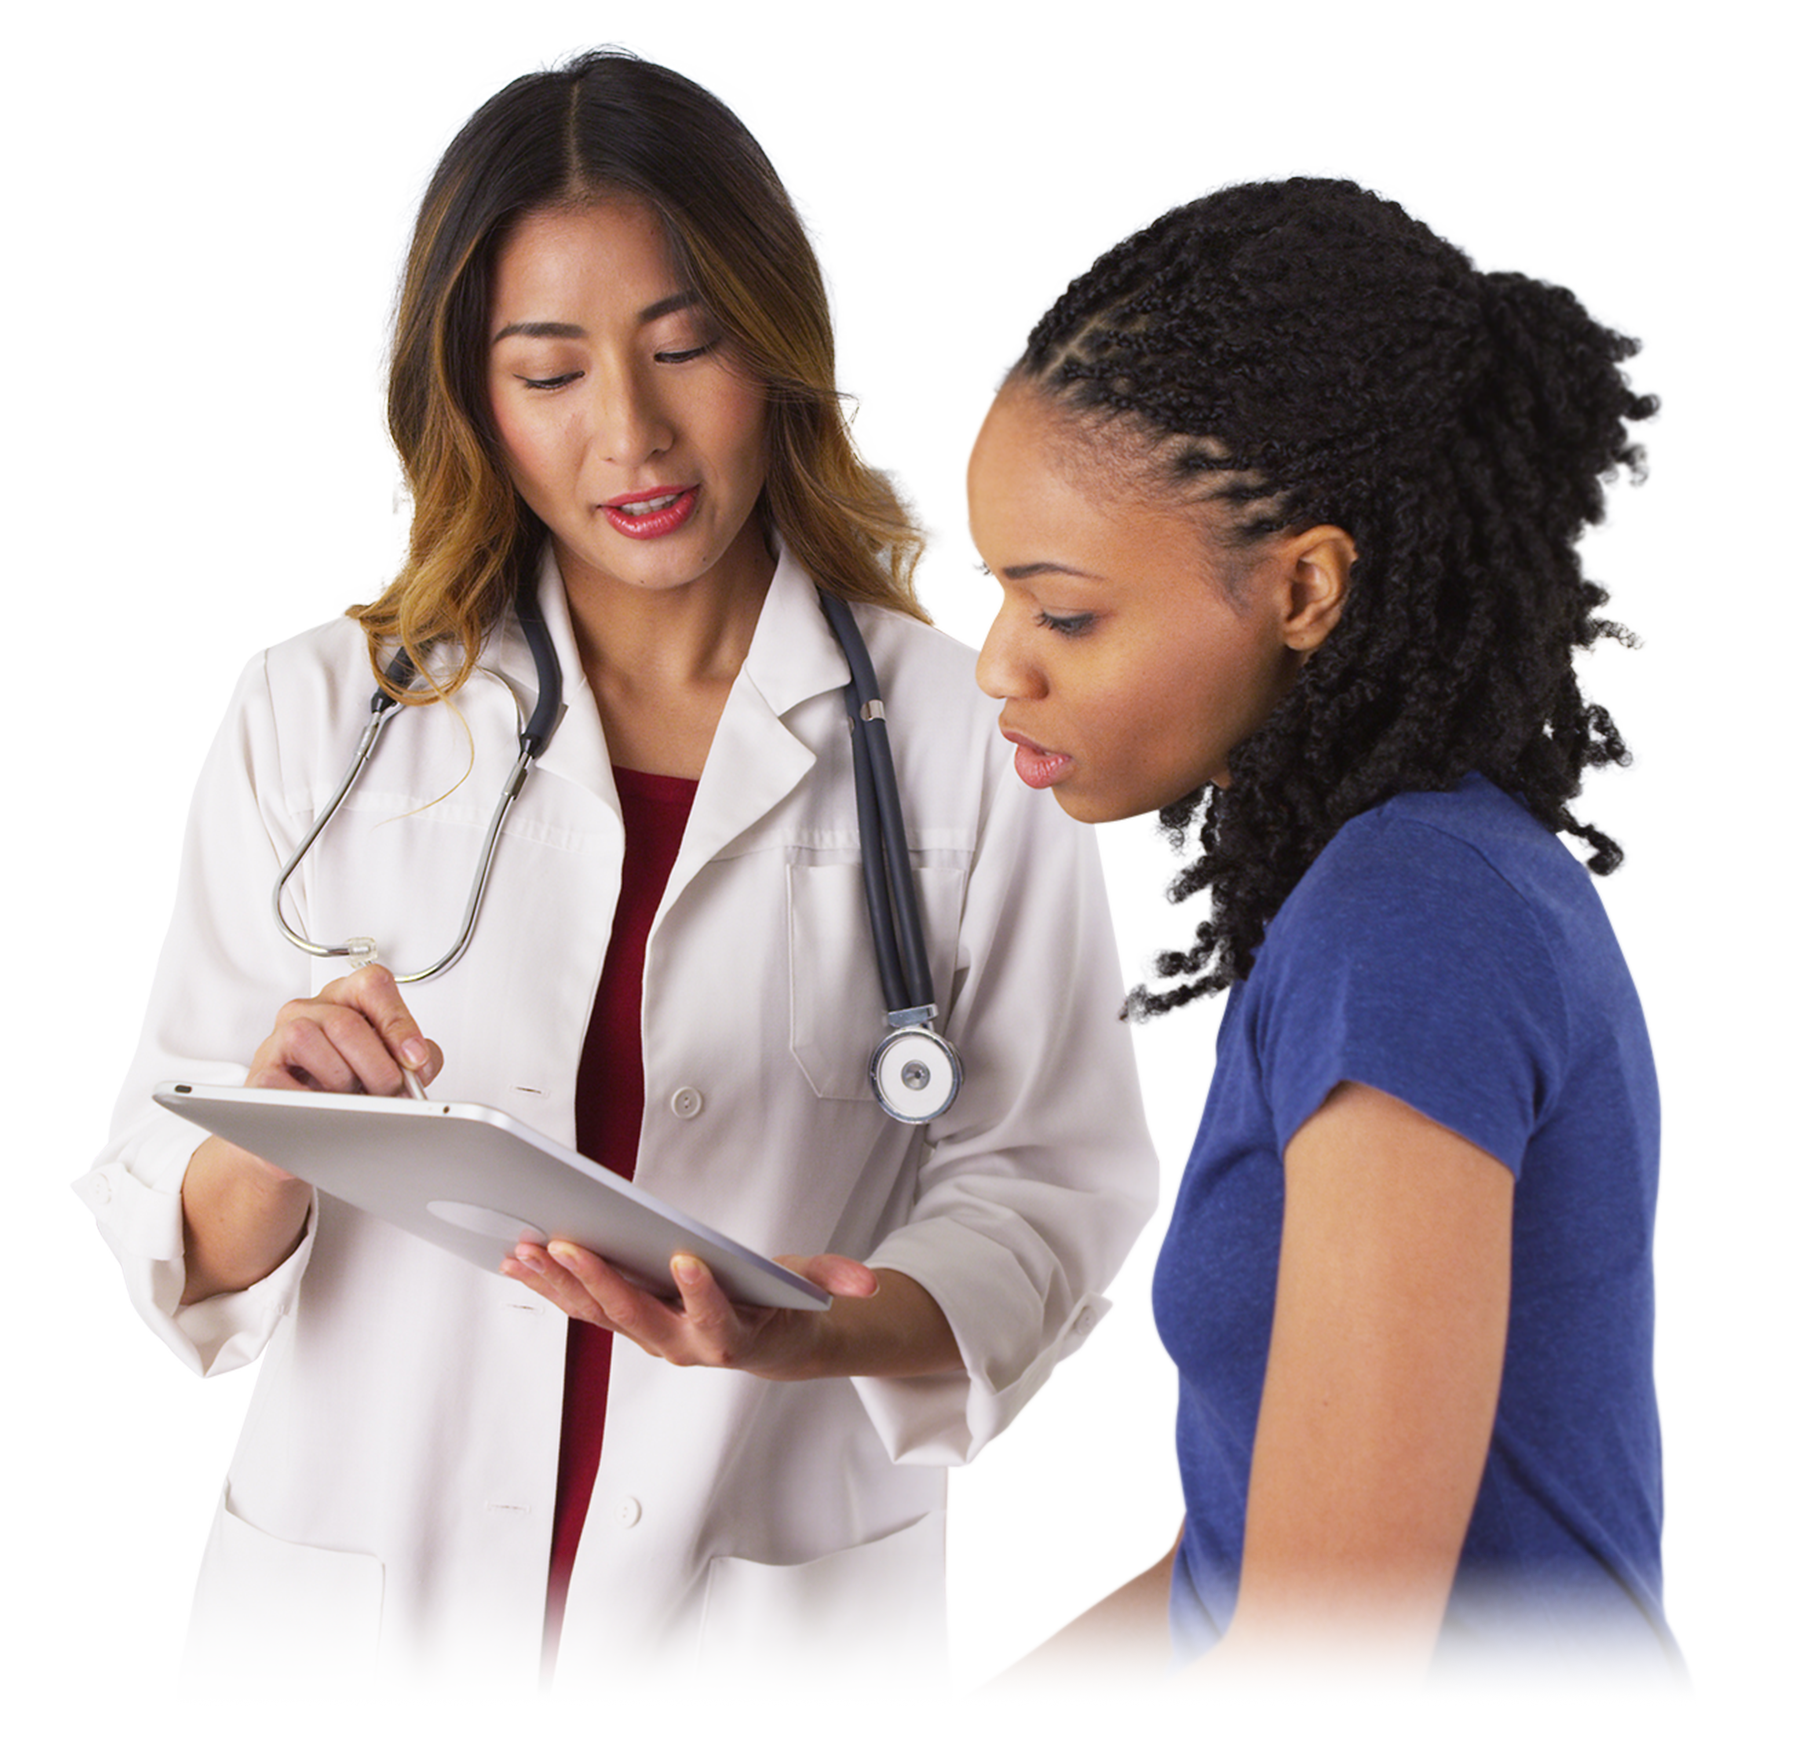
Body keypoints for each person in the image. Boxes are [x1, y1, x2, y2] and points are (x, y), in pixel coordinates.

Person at [79, 48, 1161, 1706]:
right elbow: (178, 1231)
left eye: (685, 346)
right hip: (356, 1632)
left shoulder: (962, 729)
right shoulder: (330, 715)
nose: (630, 435)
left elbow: (1052, 1179)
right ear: (472, 396)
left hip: (756, 1628)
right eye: (549, 371)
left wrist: (827, 1328)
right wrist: (274, 1124)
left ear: (776, 346)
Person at [955, 174, 1693, 1705]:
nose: (1002, 670)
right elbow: (1259, 1568)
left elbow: (1316, 1678)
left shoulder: (1415, 912)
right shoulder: (1383, 896)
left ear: (1304, 588)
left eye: (1066, 615)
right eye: (987, 598)